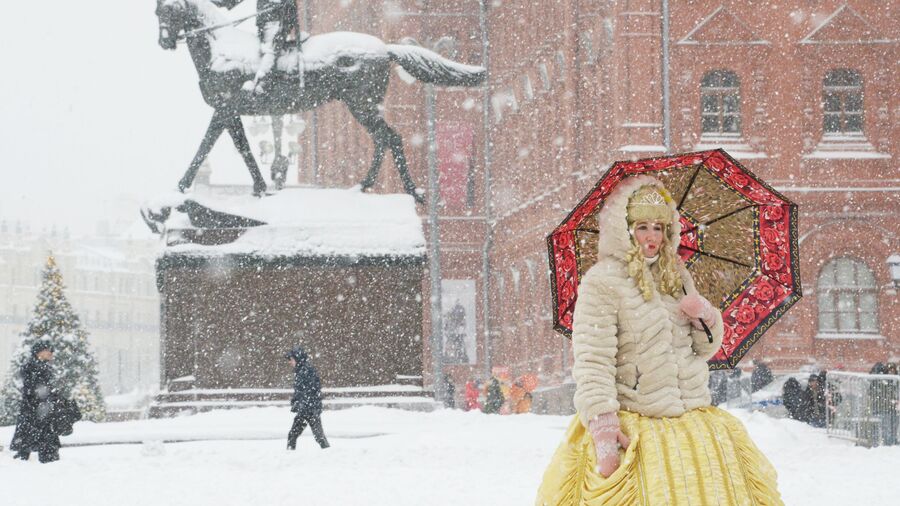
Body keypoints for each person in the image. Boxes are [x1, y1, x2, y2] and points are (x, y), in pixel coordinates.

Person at [535, 177, 782, 504]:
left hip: (692, 418)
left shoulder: (675, 274)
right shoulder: (603, 282)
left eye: (659, 227)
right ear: (624, 229)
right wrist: (603, 426)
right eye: (642, 227)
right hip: (637, 423)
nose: (652, 236)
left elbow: (704, 349)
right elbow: (594, 359)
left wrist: (705, 316)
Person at [214, 0, 301, 93]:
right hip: (266, 18)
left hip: (276, 18)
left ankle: (262, 81)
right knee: (264, 50)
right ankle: (265, 77)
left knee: (270, 49)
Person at [10, 341, 62, 463]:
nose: (51, 353)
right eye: (48, 350)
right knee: (33, 440)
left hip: (40, 409)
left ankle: (46, 462)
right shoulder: (32, 367)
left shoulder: (43, 367)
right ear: (39, 352)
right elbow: (32, 389)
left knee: (40, 440)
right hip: (34, 409)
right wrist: (47, 395)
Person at [285, 346, 329, 450]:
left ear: (297, 359)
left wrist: (301, 403)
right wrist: (295, 401)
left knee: (318, 436)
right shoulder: (301, 371)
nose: (290, 362)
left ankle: (289, 457)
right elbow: (301, 392)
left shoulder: (306, 371)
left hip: (309, 409)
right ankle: (289, 456)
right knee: (295, 435)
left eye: (291, 359)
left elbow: (310, 391)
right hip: (306, 409)